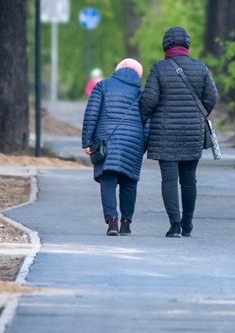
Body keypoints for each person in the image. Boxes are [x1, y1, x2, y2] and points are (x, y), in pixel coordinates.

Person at [139, 26, 218, 238]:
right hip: (192, 131)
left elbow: (149, 101)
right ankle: (188, 223)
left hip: (165, 134)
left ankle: (174, 225)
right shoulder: (201, 69)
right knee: (189, 179)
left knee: (169, 180)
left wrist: (142, 117)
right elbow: (212, 97)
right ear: (187, 45)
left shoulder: (159, 69)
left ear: (165, 46)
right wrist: (197, 114)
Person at [82, 58, 148, 236]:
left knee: (108, 180)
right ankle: (126, 223)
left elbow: (91, 114)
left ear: (118, 70)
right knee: (129, 183)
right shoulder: (141, 93)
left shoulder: (102, 86)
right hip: (133, 142)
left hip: (106, 141)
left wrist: (87, 141)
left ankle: (112, 222)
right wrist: (143, 145)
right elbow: (147, 122)